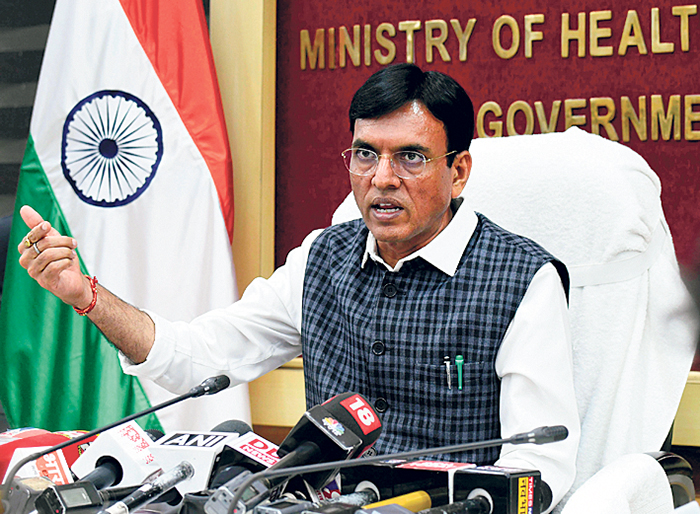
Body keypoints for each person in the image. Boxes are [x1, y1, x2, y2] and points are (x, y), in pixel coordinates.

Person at [18, 64, 579, 511]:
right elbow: (196, 358)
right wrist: (87, 296)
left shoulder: (523, 281)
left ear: (458, 172)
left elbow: (540, 470)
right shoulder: (321, 258)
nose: (382, 178)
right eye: (366, 154)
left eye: (410, 157)